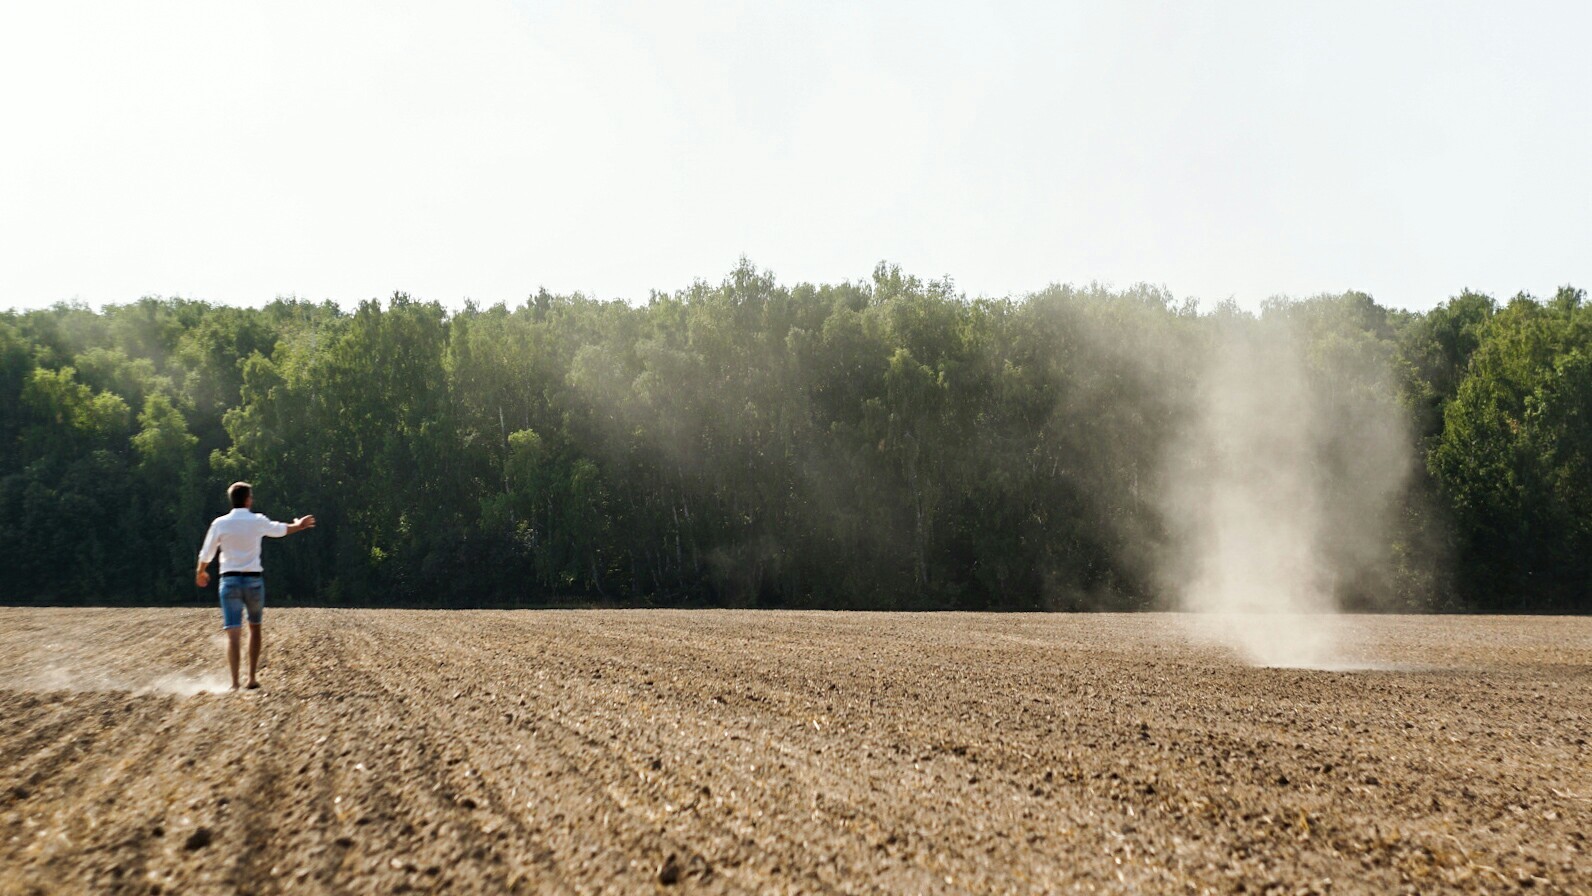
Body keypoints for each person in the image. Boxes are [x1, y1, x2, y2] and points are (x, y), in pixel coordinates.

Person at [195, 482, 315, 690]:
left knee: (233, 634)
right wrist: (300, 525)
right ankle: (251, 678)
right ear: (248, 499)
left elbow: (207, 552)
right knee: (255, 628)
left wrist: (201, 571)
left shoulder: (220, 523)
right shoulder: (257, 520)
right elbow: (281, 530)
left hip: (229, 580)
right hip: (253, 581)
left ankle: (234, 683)